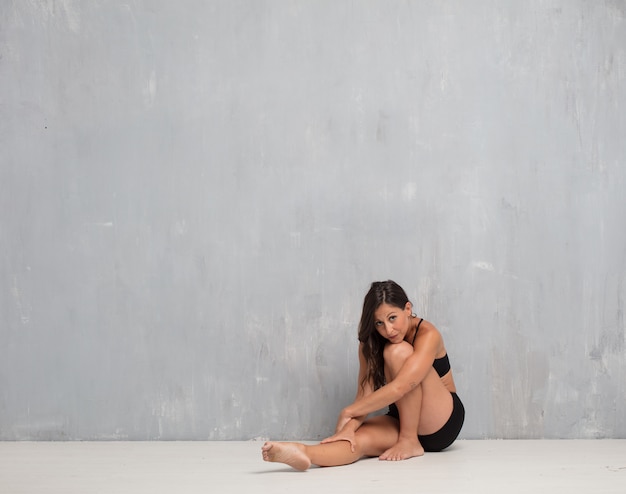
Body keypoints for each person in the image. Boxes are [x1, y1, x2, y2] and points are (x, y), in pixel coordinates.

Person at [261, 280, 465, 470]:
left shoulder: (428, 334)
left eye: (392, 318)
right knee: (356, 439)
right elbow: (365, 395)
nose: (388, 330)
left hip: (441, 420)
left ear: (408, 309)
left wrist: (348, 412)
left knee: (397, 351)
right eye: (379, 323)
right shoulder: (372, 342)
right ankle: (305, 453)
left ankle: (410, 441)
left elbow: (403, 385)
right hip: (401, 417)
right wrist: (350, 426)